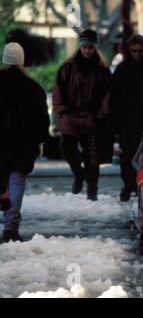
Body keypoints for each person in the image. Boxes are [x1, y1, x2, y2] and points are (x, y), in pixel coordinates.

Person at [52, 29, 112, 201]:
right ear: (80, 47)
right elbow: (58, 90)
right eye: (84, 47)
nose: (87, 50)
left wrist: (101, 114)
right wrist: (62, 110)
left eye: (90, 47)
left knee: (92, 157)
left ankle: (92, 191)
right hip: (70, 116)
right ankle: (79, 175)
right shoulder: (68, 67)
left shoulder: (102, 69)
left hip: (91, 118)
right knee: (67, 148)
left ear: (95, 48)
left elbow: (108, 93)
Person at [0, 42, 50, 242]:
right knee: (17, 182)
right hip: (23, 143)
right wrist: (40, 141)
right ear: (22, 61)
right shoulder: (33, 88)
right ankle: (11, 226)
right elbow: (41, 119)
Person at [110, 34, 143, 202]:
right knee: (128, 156)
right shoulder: (123, 69)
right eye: (134, 50)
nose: (137, 54)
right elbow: (115, 98)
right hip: (129, 119)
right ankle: (129, 185)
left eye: (140, 50)